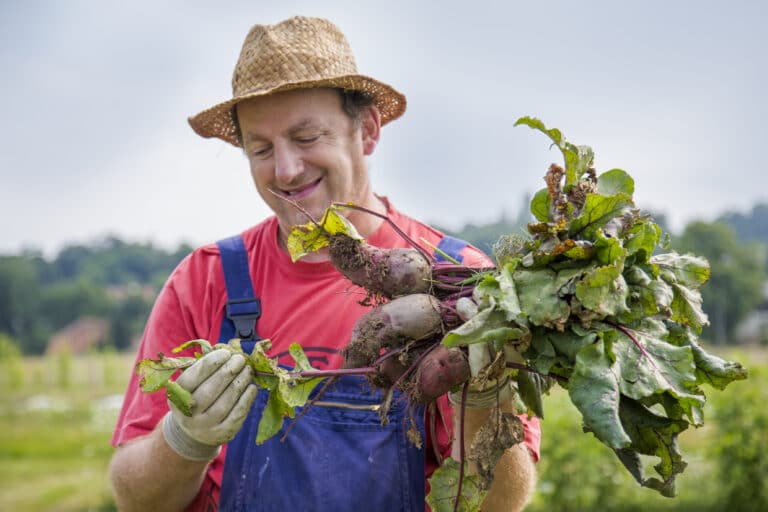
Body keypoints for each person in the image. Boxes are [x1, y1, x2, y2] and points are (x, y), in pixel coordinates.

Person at [108, 16, 541, 512]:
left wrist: (484, 400)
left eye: (308, 137)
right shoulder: (205, 281)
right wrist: (185, 440)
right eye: (262, 148)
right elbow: (134, 498)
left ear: (369, 130)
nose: (287, 170)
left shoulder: (459, 281)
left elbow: (501, 506)